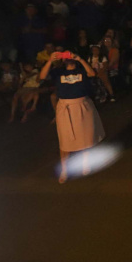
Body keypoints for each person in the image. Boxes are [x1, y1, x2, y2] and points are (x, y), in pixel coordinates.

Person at [40, 51, 103, 183]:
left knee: (85, 136)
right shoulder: (58, 72)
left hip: (82, 105)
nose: (69, 59)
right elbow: (42, 76)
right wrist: (51, 60)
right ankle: (65, 169)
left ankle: (85, 162)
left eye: (70, 56)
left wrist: (80, 59)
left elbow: (92, 74)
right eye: (66, 57)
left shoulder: (81, 69)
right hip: (65, 107)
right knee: (65, 140)